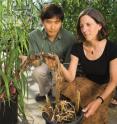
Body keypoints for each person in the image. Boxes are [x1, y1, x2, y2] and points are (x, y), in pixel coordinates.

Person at [45, 8, 117, 124]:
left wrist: (98, 100)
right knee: (66, 97)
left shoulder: (112, 48)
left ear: (99, 26)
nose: (84, 29)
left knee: (90, 115)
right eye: (81, 26)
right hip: (85, 82)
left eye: (88, 24)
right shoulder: (77, 48)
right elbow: (70, 77)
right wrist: (58, 63)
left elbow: (114, 81)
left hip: (105, 87)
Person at [20, 3, 76, 102]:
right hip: (43, 64)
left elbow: (68, 63)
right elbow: (35, 60)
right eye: (49, 22)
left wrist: (58, 68)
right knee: (37, 72)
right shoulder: (33, 36)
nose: (52, 27)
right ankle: (45, 92)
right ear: (42, 21)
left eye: (56, 22)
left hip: (61, 66)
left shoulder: (69, 37)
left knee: (56, 87)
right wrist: (28, 60)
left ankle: (55, 94)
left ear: (61, 22)